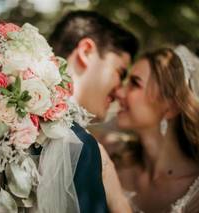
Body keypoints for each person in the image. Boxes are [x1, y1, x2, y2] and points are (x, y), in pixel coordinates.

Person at [114, 45, 199, 212]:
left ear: (171, 106)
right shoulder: (114, 162)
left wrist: (117, 200)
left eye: (134, 83)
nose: (119, 92)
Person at [49, 10, 138, 212]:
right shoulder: (83, 147)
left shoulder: (1, 118)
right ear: (86, 51)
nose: (120, 92)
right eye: (120, 73)